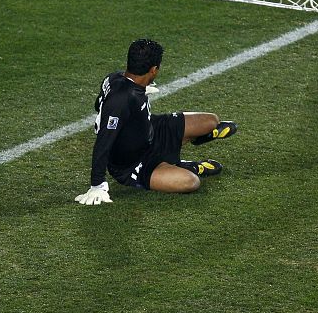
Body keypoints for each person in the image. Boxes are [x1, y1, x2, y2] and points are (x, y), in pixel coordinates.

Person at [75, 38, 237, 205]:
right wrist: (97, 184)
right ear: (153, 70)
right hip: (134, 163)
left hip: (152, 129)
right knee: (191, 182)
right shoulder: (122, 100)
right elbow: (104, 141)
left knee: (211, 120)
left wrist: (140, 94)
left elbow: (98, 104)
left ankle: (196, 139)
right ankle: (187, 166)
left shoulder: (114, 77)